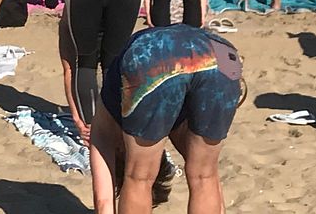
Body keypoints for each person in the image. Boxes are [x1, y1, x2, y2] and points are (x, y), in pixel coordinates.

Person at [89, 23, 242, 213]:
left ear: (120, 151)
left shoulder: (103, 129)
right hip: (221, 54)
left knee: (139, 177)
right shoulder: (177, 129)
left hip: (155, 57)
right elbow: (216, 192)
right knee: (205, 175)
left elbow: (104, 202)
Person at [58, 0, 148, 144]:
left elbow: (69, 68)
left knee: (84, 63)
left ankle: (90, 131)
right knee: (114, 64)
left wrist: (78, 120)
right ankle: (116, 125)